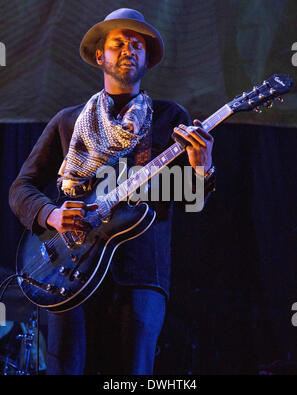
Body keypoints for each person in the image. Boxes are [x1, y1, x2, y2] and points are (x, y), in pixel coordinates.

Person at [9, 8, 215, 375]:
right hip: (68, 272)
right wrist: (52, 214)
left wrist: (203, 165)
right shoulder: (68, 121)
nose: (128, 49)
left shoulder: (169, 118)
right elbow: (21, 188)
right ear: (99, 56)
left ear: (146, 59)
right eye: (118, 43)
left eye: (137, 44)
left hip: (140, 276)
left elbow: (189, 198)